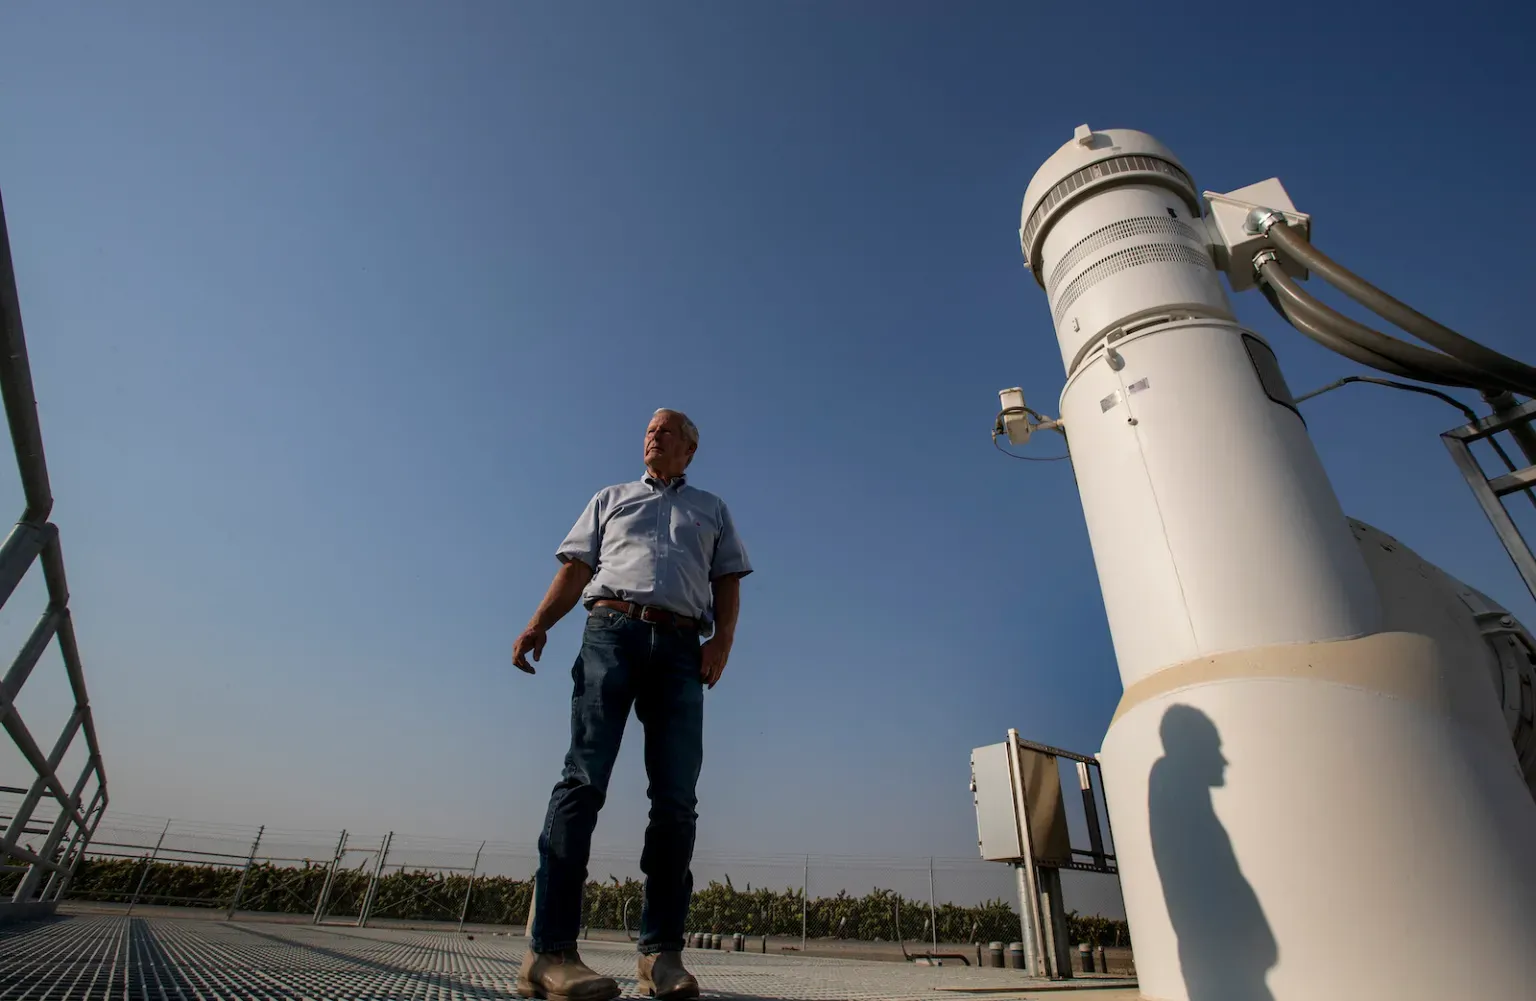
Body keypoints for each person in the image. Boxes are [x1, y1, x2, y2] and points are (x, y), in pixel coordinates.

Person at [512, 408, 752, 1001]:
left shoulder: (711, 509)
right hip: (611, 632)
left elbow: (727, 581)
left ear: (689, 449)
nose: (653, 435)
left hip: (680, 648)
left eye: (666, 430)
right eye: (649, 429)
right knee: (583, 779)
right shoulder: (610, 497)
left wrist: (720, 641)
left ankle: (659, 956)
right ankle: (549, 952)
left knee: (675, 800)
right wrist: (539, 623)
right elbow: (576, 568)